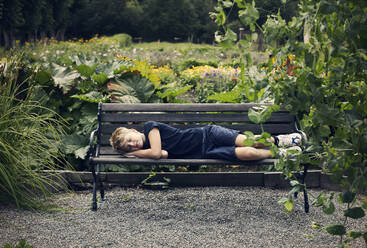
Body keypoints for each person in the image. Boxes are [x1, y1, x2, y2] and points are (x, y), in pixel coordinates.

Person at [109, 121, 304, 161]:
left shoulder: (151, 128)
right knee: (250, 154)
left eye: (130, 140)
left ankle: (281, 140)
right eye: (128, 146)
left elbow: (156, 153)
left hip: (209, 134)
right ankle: (284, 154)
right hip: (205, 152)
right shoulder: (150, 149)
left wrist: (132, 154)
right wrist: (140, 152)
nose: (133, 144)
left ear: (133, 131)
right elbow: (162, 154)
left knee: (250, 142)